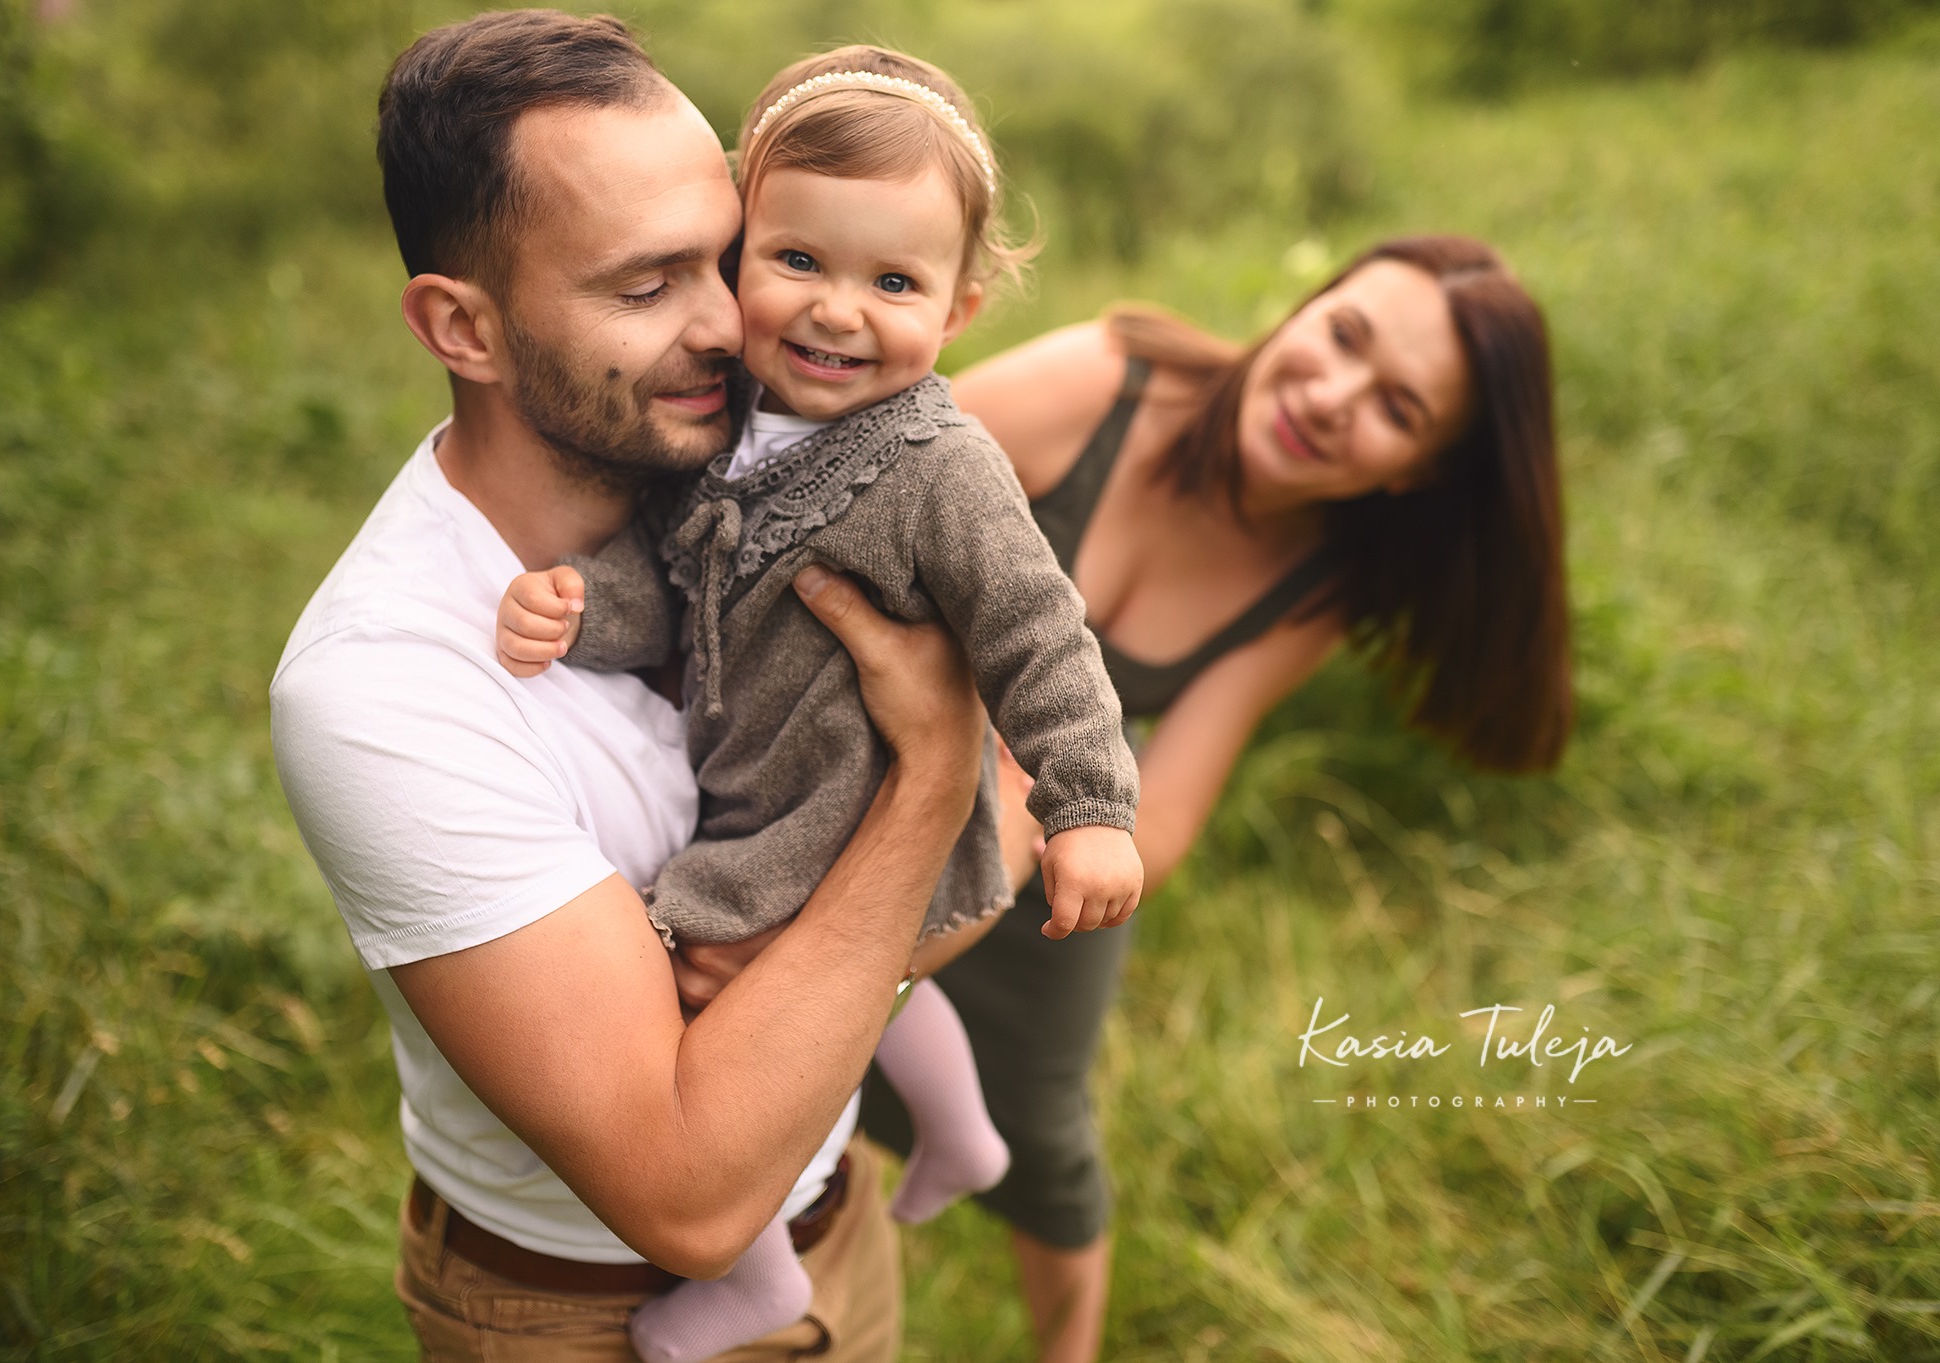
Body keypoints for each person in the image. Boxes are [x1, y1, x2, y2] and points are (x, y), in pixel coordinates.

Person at [269, 13, 995, 1361]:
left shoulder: (785, 448)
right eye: (645, 286)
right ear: (463, 326)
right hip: (588, 1311)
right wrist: (931, 779)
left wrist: (791, 971)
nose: (729, 323)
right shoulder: (383, 686)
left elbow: (1044, 783)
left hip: (844, 1225)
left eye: (724, 254)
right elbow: (689, 1192)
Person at [490, 45, 1143, 1363]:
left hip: (831, 812)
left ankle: (759, 1269)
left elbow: (1039, 634)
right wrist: (579, 608)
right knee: (858, 1001)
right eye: (798, 261)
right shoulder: (723, 420)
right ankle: (958, 1131)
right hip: (765, 778)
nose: (838, 311)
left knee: (691, 989)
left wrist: (1088, 806)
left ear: (957, 308)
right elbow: (669, 580)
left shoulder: (941, 469)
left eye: (892, 283)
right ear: (736, 257)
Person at [855, 235, 1574, 1360]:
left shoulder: (1316, 583)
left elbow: (1165, 817)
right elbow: (850, 492)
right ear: (1304, 307)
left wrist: (1023, 829)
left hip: (1058, 831)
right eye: (1341, 335)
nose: (1330, 398)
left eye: (1396, 409)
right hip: (850, 736)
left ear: (1415, 473)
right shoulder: (1103, 381)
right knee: (782, 1021)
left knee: (1041, 1128)